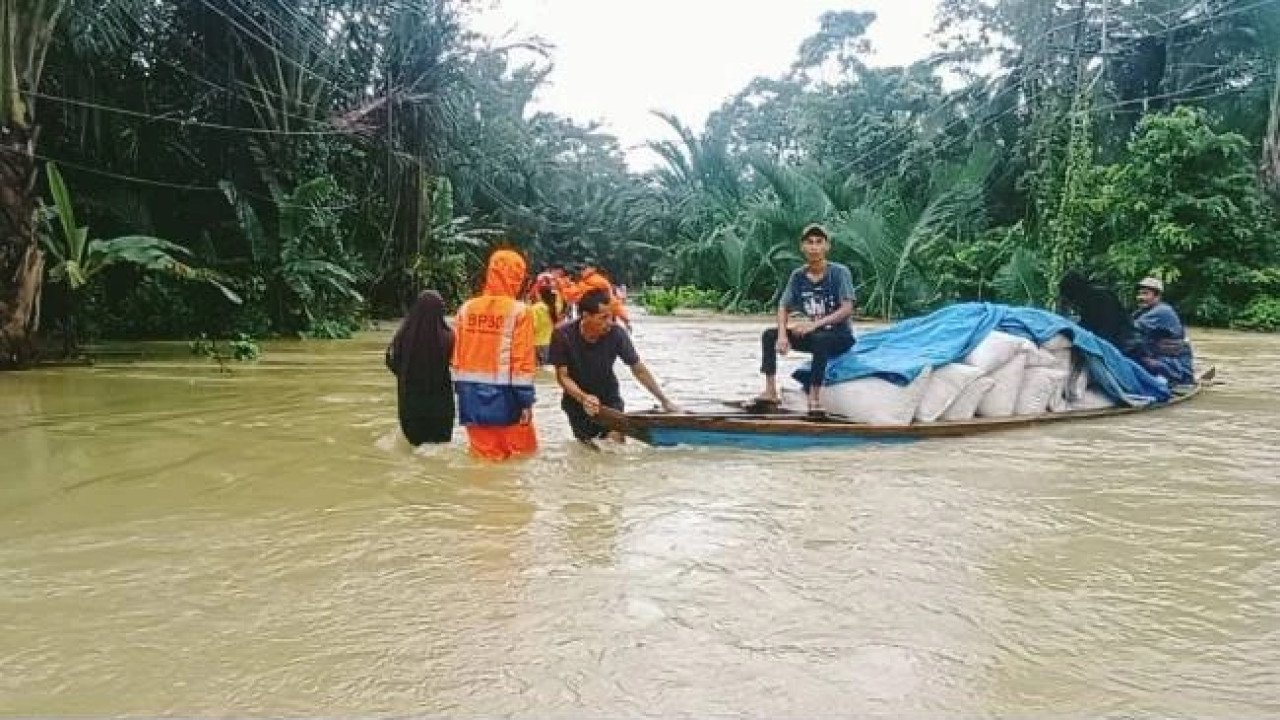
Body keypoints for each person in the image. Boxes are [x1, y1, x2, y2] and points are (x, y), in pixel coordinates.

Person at [549, 289, 680, 445]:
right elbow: (563, 376)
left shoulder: (616, 334)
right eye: (603, 318)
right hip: (577, 403)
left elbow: (638, 368)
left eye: (611, 316)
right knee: (589, 453)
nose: (609, 322)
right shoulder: (563, 335)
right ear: (585, 316)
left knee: (616, 447)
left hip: (610, 400)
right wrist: (583, 397)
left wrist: (664, 400)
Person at [755, 223, 857, 415]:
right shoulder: (798, 276)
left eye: (819, 242)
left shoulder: (839, 273)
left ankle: (814, 398)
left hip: (840, 336)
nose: (814, 247)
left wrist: (815, 325)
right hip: (814, 332)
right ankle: (770, 391)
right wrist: (783, 336)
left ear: (827, 247)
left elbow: (847, 309)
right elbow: (783, 306)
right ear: (802, 247)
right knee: (769, 335)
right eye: (809, 242)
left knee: (821, 339)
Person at [451, 249, 538, 460]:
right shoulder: (519, 312)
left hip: (470, 398)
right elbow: (522, 364)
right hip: (507, 398)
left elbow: (455, 358)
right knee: (522, 458)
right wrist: (526, 402)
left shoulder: (466, 309)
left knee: (483, 460)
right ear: (517, 278)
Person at [385, 290, 455, 445]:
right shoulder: (449, 337)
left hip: (410, 405)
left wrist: (405, 375)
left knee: (415, 446)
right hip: (440, 406)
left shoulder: (402, 337)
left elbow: (391, 362)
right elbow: (458, 364)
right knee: (439, 447)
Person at [1058, 270, 1142, 355]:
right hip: (1112, 341)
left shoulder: (1100, 297)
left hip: (1125, 343)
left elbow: (1109, 326)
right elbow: (1086, 325)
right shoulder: (1087, 301)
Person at [1132, 276, 1195, 385]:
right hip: (1163, 360)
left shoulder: (1162, 311)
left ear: (1157, 296)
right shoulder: (1142, 312)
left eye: (1145, 294)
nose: (1140, 297)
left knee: (1140, 360)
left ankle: (1169, 380)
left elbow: (1131, 328)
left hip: (1176, 366)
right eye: (1139, 294)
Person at [531, 283, 558, 365]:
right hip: (550, 342)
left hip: (537, 342)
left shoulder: (535, 308)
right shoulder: (552, 306)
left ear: (539, 295)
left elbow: (533, 326)